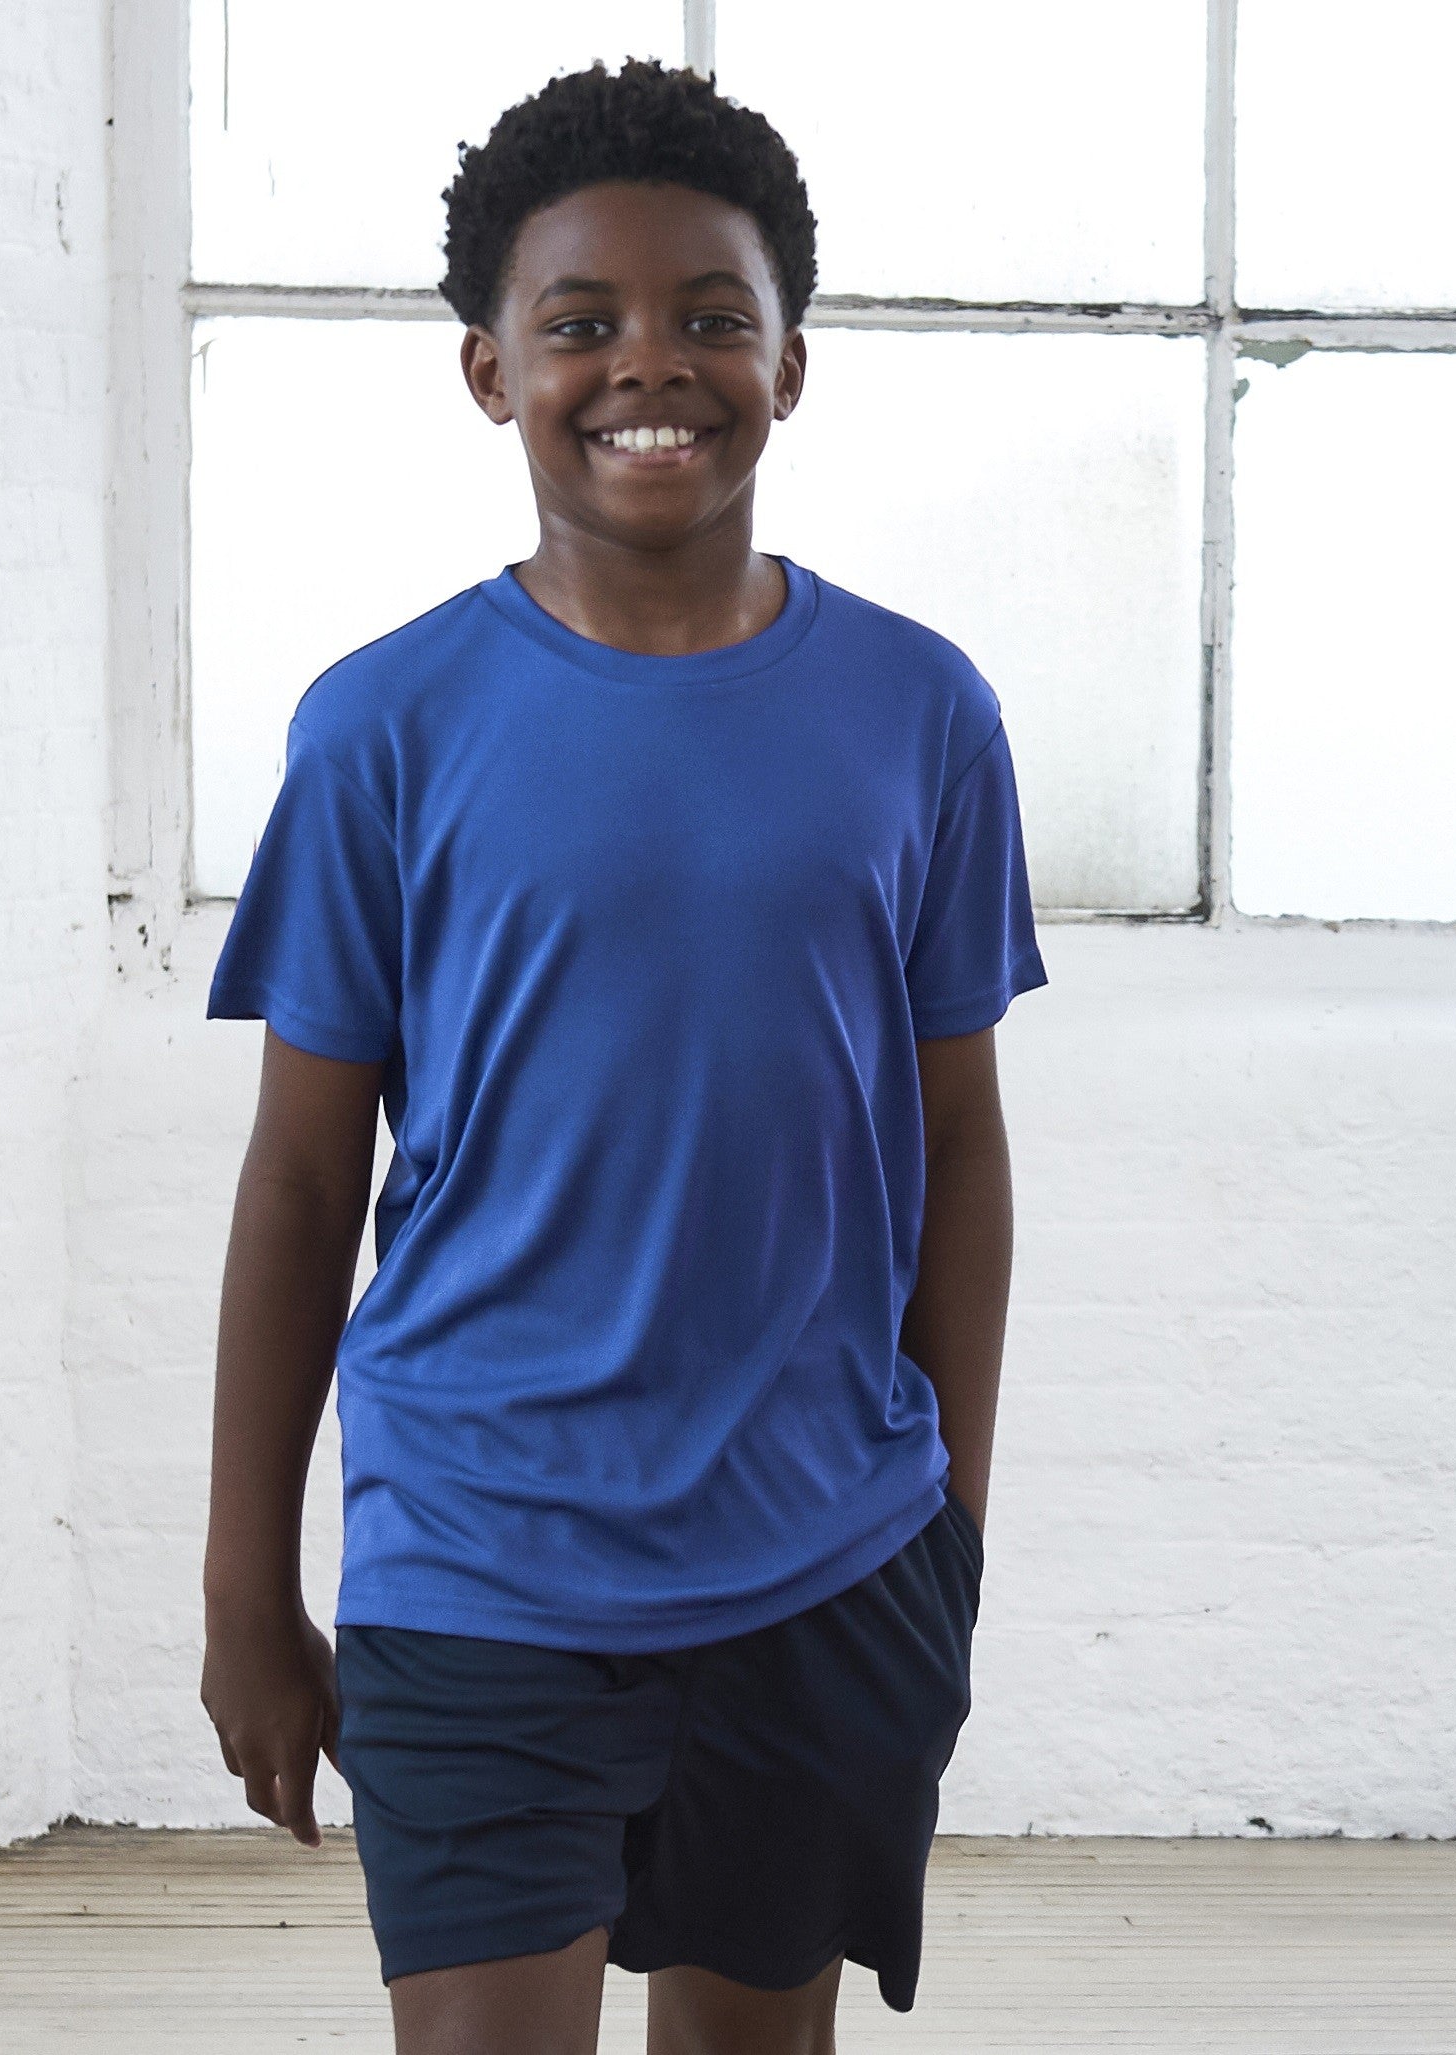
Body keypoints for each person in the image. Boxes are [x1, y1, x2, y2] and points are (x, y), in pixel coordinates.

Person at [199, 56, 1047, 2055]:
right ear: (491, 370)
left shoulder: (921, 713)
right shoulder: (381, 729)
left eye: (708, 316)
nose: (647, 362)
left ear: (789, 363)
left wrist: (949, 1526)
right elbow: (303, 1180)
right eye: (580, 320)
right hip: (476, 1554)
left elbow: (958, 1138)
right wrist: (245, 1590)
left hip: (829, 1559)